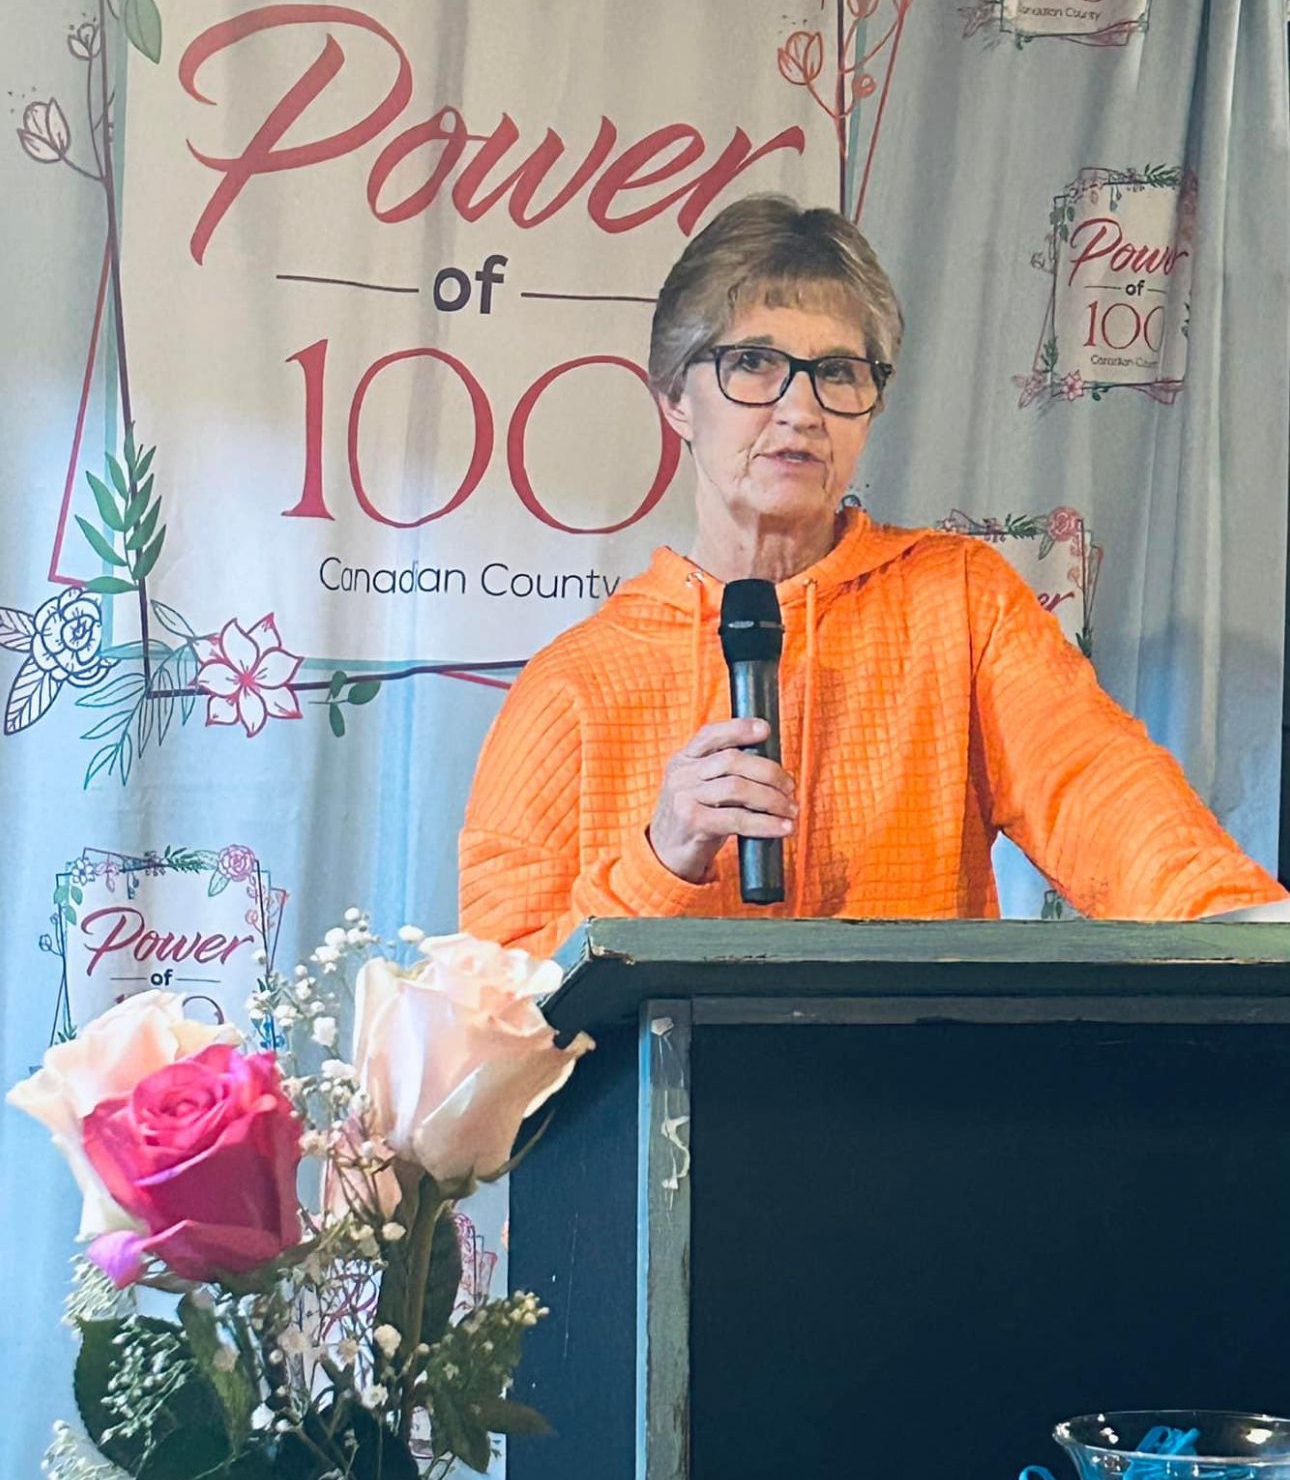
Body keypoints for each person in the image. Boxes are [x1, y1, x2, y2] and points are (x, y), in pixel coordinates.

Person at [459, 193, 1287, 959]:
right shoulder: (573, 681)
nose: (801, 408)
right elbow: (498, 1008)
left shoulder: (960, 599)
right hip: (671, 1110)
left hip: (917, 1097)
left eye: (839, 372)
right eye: (753, 362)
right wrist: (660, 856)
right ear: (677, 395)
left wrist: (1239, 930)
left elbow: (1099, 791)